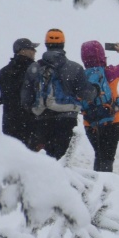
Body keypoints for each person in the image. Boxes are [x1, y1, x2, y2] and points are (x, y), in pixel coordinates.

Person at [22, 28, 91, 160]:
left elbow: (25, 99)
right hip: (67, 120)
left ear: (46, 44)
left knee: (41, 158)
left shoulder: (34, 68)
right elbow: (86, 93)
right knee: (59, 159)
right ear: (63, 44)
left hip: (42, 119)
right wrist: (95, 90)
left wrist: (33, 110)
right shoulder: (75, 68)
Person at [80, 39, 119, 172]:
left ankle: (97, 180)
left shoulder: (80, 77)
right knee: (108, 158)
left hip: (91, 124)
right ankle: (106, 182)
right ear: (102, 56)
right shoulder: (110, 72)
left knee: (99, 155)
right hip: (112, 121)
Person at [0, 37, 38, 144]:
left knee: (12, 151)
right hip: (32, 123)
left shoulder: (4, 71)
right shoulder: (36, 71)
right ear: (22, 51)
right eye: (32, 49)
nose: (35, 51)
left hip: (10, 123)